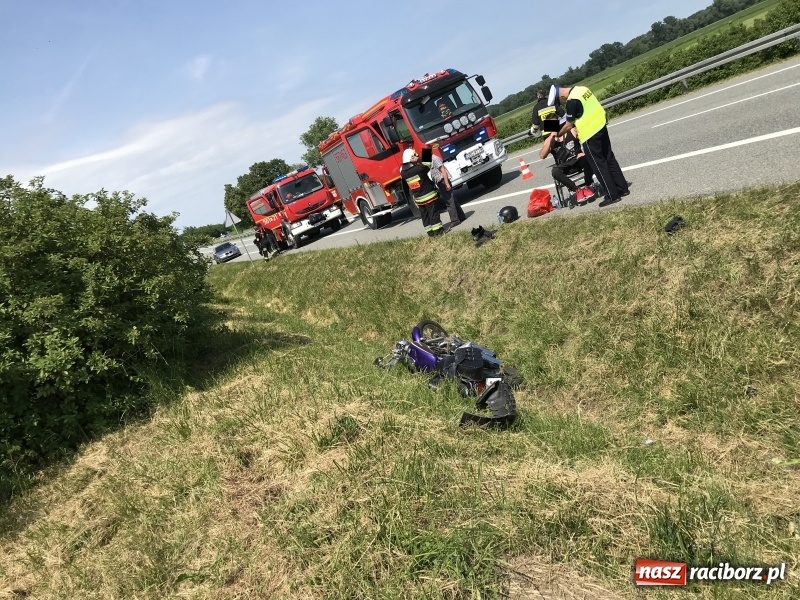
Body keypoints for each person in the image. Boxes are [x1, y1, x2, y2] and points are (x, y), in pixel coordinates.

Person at [549, 84, 629, 207]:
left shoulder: (571, 101)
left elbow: (569, 125)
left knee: (599, 165)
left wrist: (557, 133)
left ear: (562, 95)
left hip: (589, 133)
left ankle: (612, 194)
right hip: (601, 125)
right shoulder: (582, 89)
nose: (563, 103)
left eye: (561, 101)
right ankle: (623, 188)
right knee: (609, 158)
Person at [538, 114, 596, 204]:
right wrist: (550, 140)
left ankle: (587, 185)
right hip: (565, 165)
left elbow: (586, 138)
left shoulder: (571, 130)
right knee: (554, 171)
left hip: (577, 159)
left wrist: (584, 152)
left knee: (587, 157)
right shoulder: (549, 140)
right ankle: (576, 190)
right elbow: (542, 155)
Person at [400, 148, 443, 237]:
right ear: (411, 158)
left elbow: (403, 168)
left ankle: (430, 233)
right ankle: (438, 231)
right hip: (428, 196)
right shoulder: (419, 169)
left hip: (419, 199)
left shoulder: (403, 173)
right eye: (415, 156)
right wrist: (424, 151)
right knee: (433, 213)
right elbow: (428, 162)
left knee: (425, 215)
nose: (417, 156)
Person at [429, 152, 466, 228]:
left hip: (443, 181)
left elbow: (443, 171)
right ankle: (461, 216)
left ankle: (455, 220)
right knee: (452, 199)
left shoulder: (435, 159)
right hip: (440, 182)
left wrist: (447, 183)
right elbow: (423, 163)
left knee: (449, 202)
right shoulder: (429, 159)